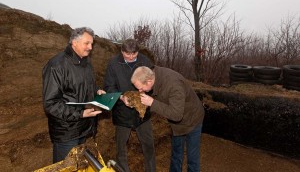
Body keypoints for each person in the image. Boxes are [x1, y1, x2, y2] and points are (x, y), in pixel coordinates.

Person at [42, 27, 105, 163]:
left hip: (84, 128)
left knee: (78, 166)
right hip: (66, 133)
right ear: (74, 43)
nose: (90, 47)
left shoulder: (86, 63)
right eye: (87, 43)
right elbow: (51, 104)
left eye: (91, 44)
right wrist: (80, 114)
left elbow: (84, 88)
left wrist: (97, 91)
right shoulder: (56, 66)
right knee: (66, 168)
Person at [131, 66, 205, 172]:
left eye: (141, 88)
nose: (140, 91)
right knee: (176, 153)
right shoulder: (154, 75)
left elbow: (176, 115)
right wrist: (134, 101)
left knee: (192, 157)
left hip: (192, 119)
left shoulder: (174, 85)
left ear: (149, 81)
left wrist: (152, 103)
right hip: (176, 124)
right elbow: (158, 100)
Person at [103, 39, 156, 172]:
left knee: (149, 145)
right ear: (122, 51)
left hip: (142, 110)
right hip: (122, 110)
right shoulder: (113, 64)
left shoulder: (145, 61)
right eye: (128, 54)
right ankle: (123, 170)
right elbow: (108, 87)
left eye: (134, 53)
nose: (131, 56)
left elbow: (153, 82)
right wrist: (121, 97)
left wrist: (146, 92)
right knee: (121, 147)